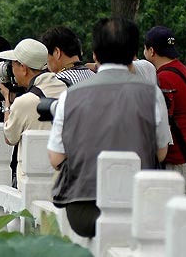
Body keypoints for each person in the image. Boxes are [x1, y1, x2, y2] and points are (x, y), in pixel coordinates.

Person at [47, 18, 170, 238]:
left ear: (95, 54)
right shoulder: (152, 94)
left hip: (84, 212)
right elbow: (161, 152)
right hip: (138, 207)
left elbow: (56, 158)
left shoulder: (70, 96)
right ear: (134, 54)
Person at [0, 38, 67, 189]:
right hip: (63, 180)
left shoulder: (25, 101)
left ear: (23, 67)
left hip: (32, 185)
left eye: (13, 65)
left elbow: (10, 138)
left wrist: (8, 103)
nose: (11, 70)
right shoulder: (66, 89)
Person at [144, 26, 186, 194]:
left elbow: (163, 121)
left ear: (151, 51)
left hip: (177, 155)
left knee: (177, 212)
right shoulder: (182, 69)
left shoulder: (164, 78)